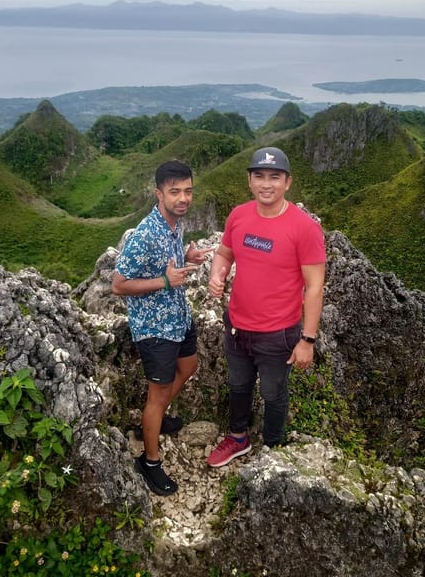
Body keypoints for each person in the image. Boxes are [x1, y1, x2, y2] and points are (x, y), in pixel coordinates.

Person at [206, 146, 326, 467]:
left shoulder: (304, 228)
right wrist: (216, 274)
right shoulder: (239, 215)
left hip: (277, 334)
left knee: (273, 393)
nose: (266, 184)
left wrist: (308, 340)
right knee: (238, 385)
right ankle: (238, 438)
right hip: (236, 326)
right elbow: (224, 253)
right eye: (259, 176)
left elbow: (315, 286)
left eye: (274, 177)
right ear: (249, 180)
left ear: (288, 182)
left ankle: (273, 449)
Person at [112, 160, 212, 495]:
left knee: (190, 365)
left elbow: (168, 262)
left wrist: (187, 256)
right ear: (159, 194)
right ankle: (149, 461)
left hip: (178, 317)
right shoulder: (145, 234)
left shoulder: (174, 224)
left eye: (188, 191)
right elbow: (119, 283)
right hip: (154, 328)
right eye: (175, 192)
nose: (183, 198)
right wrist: (165, 281)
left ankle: (154, 419)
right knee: (157, 395)